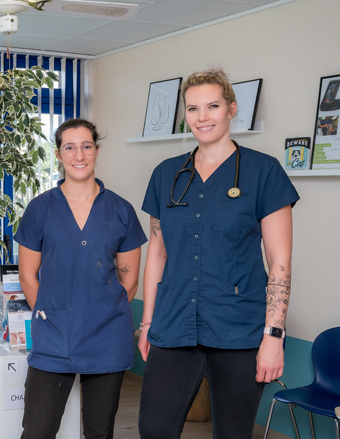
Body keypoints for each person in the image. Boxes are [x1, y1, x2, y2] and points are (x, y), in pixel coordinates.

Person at [137, 69, 299, 438]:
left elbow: (280, 263)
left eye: (212, 106)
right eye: (193, 108)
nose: (202, 117)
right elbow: (157, 256)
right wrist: (147, 323)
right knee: (154, 429)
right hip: (174, 322)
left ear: (231, 109)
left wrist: (273, 336)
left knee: (233, 433)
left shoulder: (263, 172)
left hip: (240, 328)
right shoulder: (166, 175)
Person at [15, 118, 147, 439]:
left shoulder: (120, 210)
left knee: (99, 433)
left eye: (86, 146)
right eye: (69, 147)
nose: (79, 155)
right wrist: (51, 315)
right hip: (53, 337)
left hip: (107, 337)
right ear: (59, 155)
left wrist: (101, 312)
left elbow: (129, 280)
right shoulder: (40, 208)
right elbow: (28, 275)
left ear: (97, 151)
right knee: (37, 431)